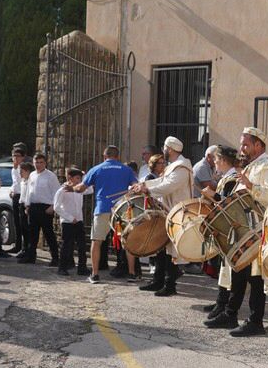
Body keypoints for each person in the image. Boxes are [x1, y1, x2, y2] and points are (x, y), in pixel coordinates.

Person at [205, 127, 268, 337]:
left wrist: (251, 186)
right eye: (241, 144)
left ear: (258, 145)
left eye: (246, 144)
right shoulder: (250, 167)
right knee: (238, 271)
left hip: (259, 230)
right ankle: (230, 313)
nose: (241, 148)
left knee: (256, 278)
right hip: (243, 230)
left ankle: (255, 320)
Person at [131, 136, 194, 297]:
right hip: (168, 211)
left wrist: (147, 189)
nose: (163, 150)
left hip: (177, 213)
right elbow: (161, 181)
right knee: (162, 249)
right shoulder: (174, 166)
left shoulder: (181, 167)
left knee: (171, 252)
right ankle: (158, 281)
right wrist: (144, 185)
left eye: (165, 148)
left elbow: (167, 186)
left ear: (170, 149)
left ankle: (169, 285)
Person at [75, 145, 137, 285]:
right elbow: (135, 186)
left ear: (104, 157)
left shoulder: (96, 169)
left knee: (96, 241)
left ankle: (95, 274)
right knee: (128, 241)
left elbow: (81, 188)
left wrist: (71, 187)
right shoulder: (126, 169)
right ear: (117, 156)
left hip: (102, 209)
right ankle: (132, 273)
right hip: (122, 209)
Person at [200, 145, 241, 319]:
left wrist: (212, 196)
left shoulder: (232, 178)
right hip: (225, 228)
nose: (215, 163)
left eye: (217, 160)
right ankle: (221, 302)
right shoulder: (228, 177)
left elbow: (229, 204)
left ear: (224, 160)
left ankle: (224, 305)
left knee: (228, 269)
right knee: (223, 269)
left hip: (231, 229)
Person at [19, 153, 60, 265]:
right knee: (32, 234)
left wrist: (52, 207)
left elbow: (57, 193)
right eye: (36, 162)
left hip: (45, 208)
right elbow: (29, 191)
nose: (38, 164)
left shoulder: (51, 176)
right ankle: (31, 257)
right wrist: (27, 205)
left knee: (49, 234)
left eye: (41, 162)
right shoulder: (32, 175)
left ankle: (55, 258)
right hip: (33, 207)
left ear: (45, 163)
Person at [53, 168, 92, 276]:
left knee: (82, 246)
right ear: (70, 178)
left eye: (80, 178)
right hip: (67, 222)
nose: (79, 180)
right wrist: (69, 217)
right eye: (77, 178)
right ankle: (62, 267)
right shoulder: (62, 190)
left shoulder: (79, 189)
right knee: (67, 246)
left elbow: (90, 189)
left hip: (79, 220)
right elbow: (56, 207)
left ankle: (82, 267)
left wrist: (85, 177)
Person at [8, 147, 27, 254]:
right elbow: (15, 183)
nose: (15, 158)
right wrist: (11, 190)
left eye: (18, 156)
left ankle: (24, 247)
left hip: (22, 197)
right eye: (14, 156)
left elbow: (23, 182)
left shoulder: (23, 169)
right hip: (16, 196)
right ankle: (17, 245)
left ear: (22, 157)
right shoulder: (13, 169)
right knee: (16, 222)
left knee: (23, 223)